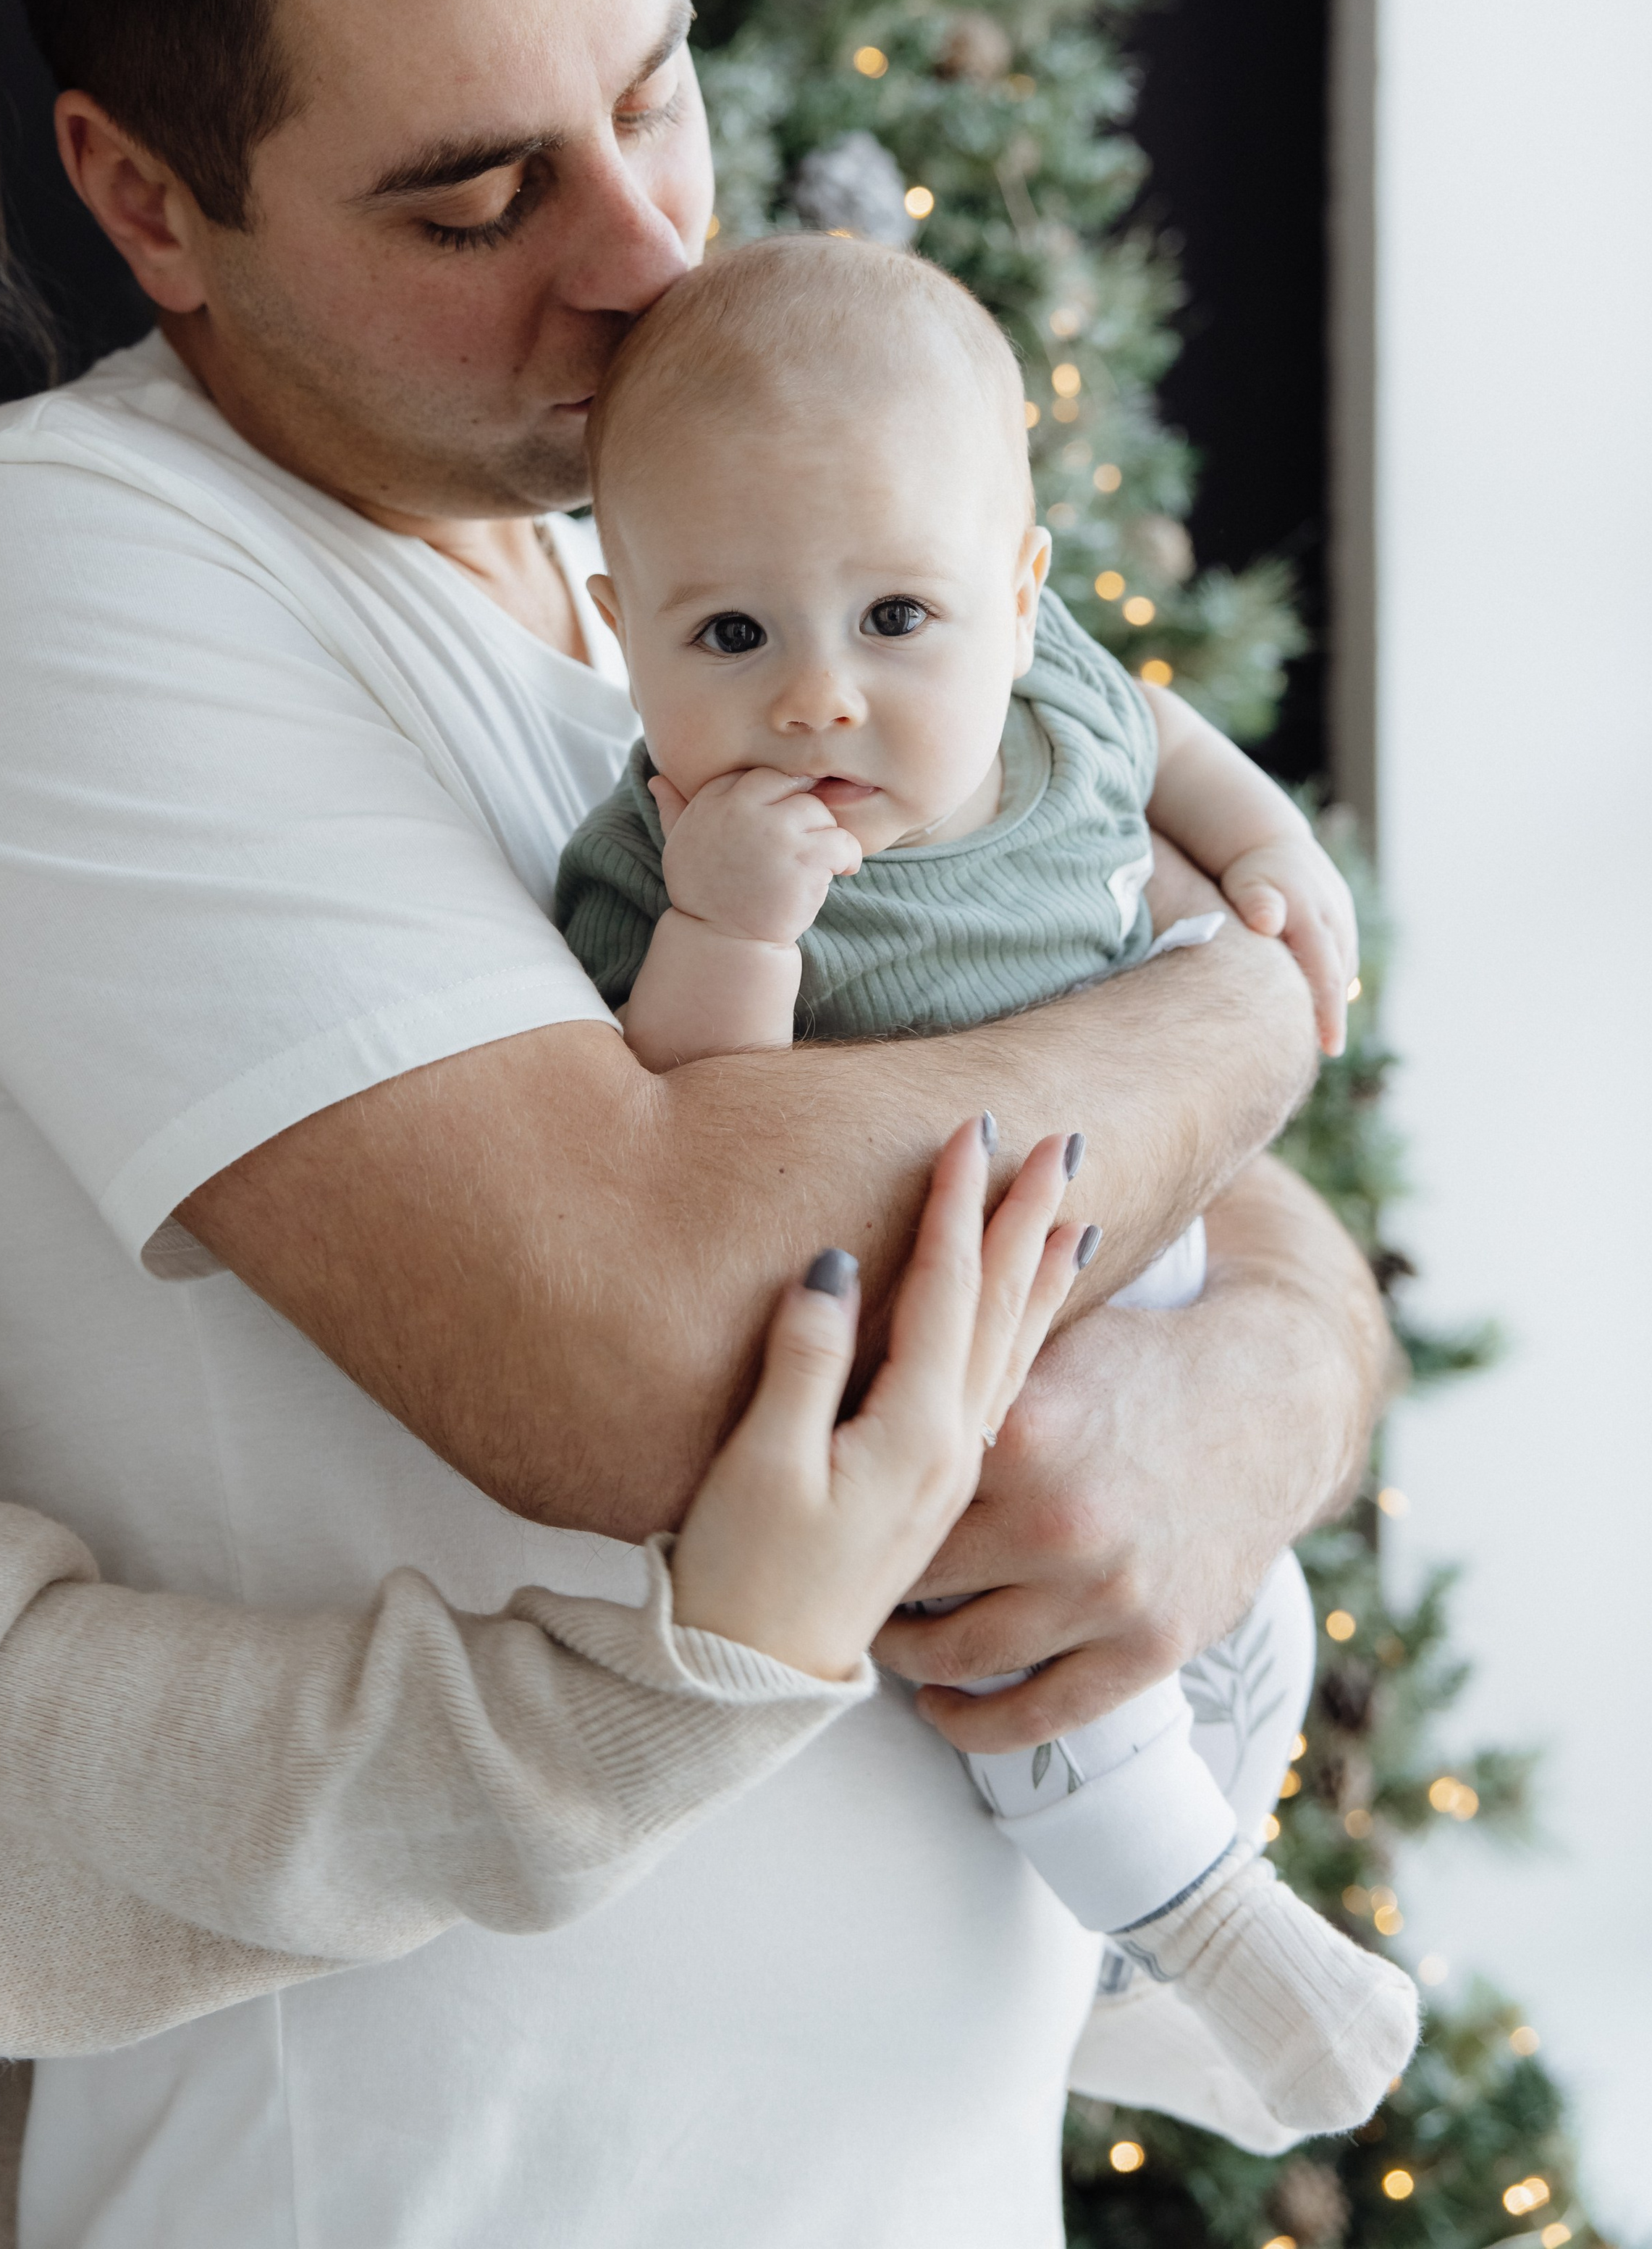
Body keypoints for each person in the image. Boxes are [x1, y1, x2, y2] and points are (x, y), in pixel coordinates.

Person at [0, 0, 1389, 2249]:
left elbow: (1093, 1082)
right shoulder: (45, 574)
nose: (650, 256)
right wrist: (1254, 1021)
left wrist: (1252, 1386)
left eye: (653, 93)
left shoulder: (681, 544)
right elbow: (649, 1323)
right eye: (476, 198)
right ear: (145, 200)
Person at [556, 234, 1419, 2135]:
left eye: (895, 618)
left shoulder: (1063, 706)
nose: (817, 700)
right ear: (621, 626)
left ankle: (1122, 1987)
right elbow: (692, 1131)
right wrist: (733, 928)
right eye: (730, 637)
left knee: (1251, 1626)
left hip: (1155, 1277)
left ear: (1020, 601)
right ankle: (1208, 1930)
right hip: (958, 1363)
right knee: (1052, 1684)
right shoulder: (662, 862)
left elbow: (1173, 746)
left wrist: (1272, 852)